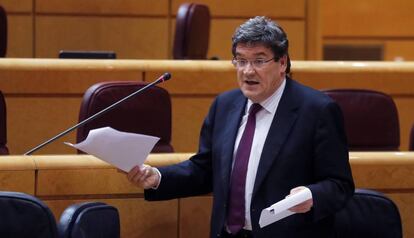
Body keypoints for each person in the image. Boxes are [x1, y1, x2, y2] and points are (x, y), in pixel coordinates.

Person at [127, 16, 354, 238]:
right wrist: (157, 177)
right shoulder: (224, 105)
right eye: (241, 60)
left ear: (282, 62)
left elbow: (340, 185)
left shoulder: (317, 110)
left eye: (259, 60)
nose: (248, 71)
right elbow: (205, 170)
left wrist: (312, 194)